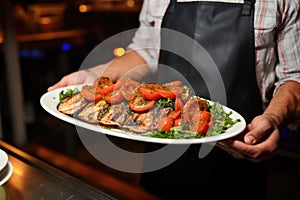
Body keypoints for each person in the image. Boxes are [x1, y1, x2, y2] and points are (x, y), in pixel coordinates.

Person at [48, 0, 300, 199]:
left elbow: (294, 77)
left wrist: (273, 118)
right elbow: (146, 52)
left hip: (239, 149)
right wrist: (93, 76)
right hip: (161, 148)